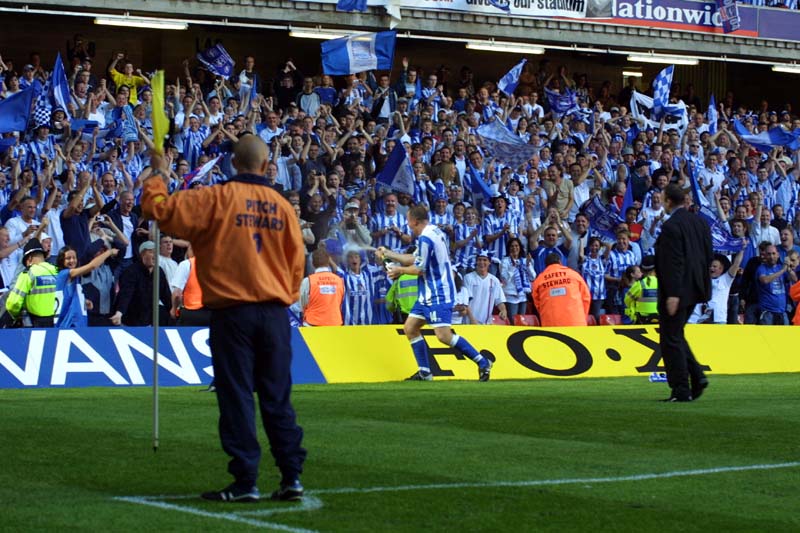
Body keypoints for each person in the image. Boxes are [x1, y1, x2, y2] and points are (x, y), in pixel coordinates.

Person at [142, 134, 307, 502]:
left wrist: (158, 173)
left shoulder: (214, 198)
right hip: (276, 314)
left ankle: (246, 480)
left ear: (233, 164)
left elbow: (159, 210)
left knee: (236, 397)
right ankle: (291, 476)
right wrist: (281, 294)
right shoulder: (282, 206)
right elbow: (297, 264)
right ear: (266, 166)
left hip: (233, 314)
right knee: (277, 397)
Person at [376, 205, 493, 381]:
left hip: (438, 292)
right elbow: (415, 258)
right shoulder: (434, 233)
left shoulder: (426, 238)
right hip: (427, 293)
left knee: (443, 336)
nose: (408, 226)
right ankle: (425, 372)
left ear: (415, 221)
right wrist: (389, 253)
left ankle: (483, 362)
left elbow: (420, 269)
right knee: (410, 328)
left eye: (409, 222)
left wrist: (399, 270)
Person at [654, 184, 713, 402]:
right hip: (697, 287)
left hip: (677, 290)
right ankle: (697, 377)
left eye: (662, 198)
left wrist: (673, 294)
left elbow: (673, 263)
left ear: (669, 201)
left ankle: (681, 388)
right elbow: (709, 255)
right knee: (676, 334)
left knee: (670, 338)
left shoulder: (671, 226)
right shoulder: (700, 222)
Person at [55, 244, 118, 328]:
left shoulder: (74, 276)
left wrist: (83, 301)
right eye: (68, 258)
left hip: (78, 323)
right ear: (61, 260)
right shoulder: (65, 274)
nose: (72, 260)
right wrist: (109, 252)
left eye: (74, 257)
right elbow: (92, 266)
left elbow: (68, 296)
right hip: (68, 324)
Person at [112, 241, 172, 327]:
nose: (155, 256)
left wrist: (173, 310)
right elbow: (126, 294)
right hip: (128, 322)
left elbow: (166, 295)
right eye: (151, 252)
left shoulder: (159, 272)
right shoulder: (131, 271)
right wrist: (119, 313)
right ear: (143, 254)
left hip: (148, 322)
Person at [4, 238, 58, 327]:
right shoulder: (56, 270)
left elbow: (14, 303)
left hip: (34, 323)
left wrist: (14, 315)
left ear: (29, 259)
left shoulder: (28, 273)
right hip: (55, 322)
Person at [532, 253, 591, 326]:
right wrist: (582, 317)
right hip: (576, 322)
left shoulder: (539, 280)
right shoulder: (574, 275)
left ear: (546, 265)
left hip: (551, 323)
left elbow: (538, 303)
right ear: (560, 262)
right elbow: (586, 298)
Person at [624, 255, 659, 324]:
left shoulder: (640, 284)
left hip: (642, 320)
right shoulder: (662, 283)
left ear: (643, 270)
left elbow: (627, 300)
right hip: (660, 319)